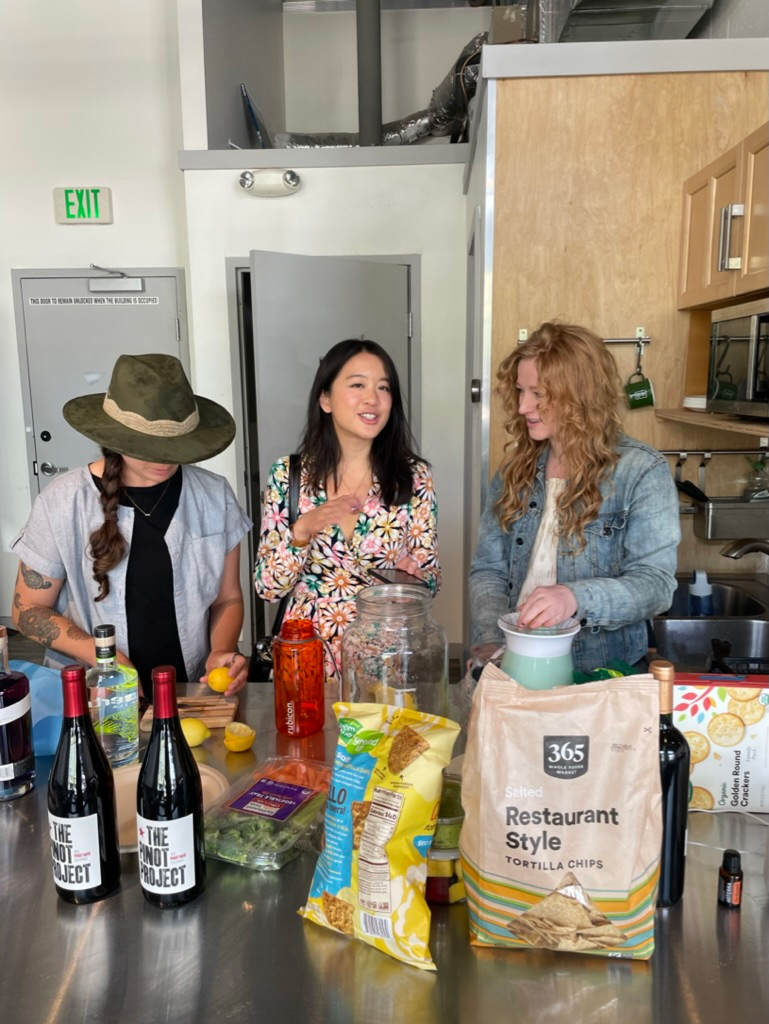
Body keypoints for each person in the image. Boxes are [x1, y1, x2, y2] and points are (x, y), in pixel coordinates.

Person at [11, 353, 252, 698]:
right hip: (95, 696)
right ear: (117, 437)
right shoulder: (63, 501)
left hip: (191, 693)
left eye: (174, 444)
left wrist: (220, 651)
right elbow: (27, 610)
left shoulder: (214, 495)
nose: (164, 458)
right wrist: (107, 659)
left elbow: (228, 599)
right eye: (147, 446)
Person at [469, 321, 680, 674]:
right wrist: (493, 638)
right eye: (521, 391)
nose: (522, 407)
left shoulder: (641, 471)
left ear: (578, 395)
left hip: (600, 672)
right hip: (512, 663)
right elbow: (488, 570)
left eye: (538, 394)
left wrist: (574, 598)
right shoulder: (513, 473)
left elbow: (655, 585)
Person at [255, 338, 440, 684]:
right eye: (357, 384)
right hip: (307, 659)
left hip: (387, 657)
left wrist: (413, 581)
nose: (372, 398)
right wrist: (302, 531)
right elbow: (268, 588)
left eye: (383, 388)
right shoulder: (289, 474)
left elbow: (430, 577)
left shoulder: (413, 476)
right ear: (325, 399)